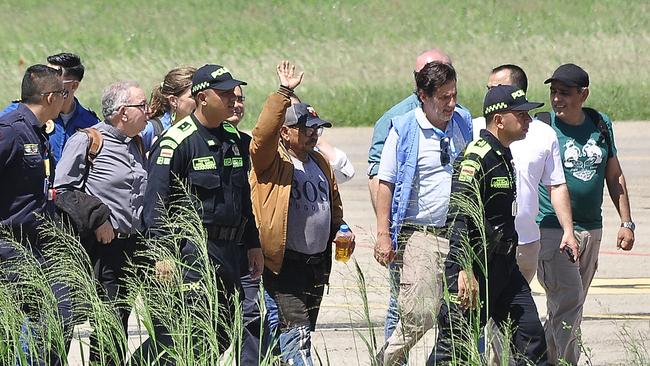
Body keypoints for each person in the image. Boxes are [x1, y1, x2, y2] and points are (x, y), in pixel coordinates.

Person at [133, 63, 263, 364]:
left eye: (235, 93)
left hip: (230, 250)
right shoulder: (177, 140)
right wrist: (163, 253)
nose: (233, 99)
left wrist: (253, 242)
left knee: (226, 327)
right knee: (192, 332)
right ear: (203, 97)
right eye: (225, 93)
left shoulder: (233, 138)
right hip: (192, 252)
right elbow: (157, 204)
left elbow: (242, 196)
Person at [428, 85, 547, 365]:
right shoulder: (476, 157)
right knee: (453, 349)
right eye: (522, 114)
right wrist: (464, 268)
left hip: (505, 268)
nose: (529, 120)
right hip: (474, 269)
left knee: (532, 339)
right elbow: (459, 215)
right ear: (499, 119)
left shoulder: (503, 154)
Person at [249, 61, 354, 366]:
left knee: (294, 339)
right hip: (285, 267)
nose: (313, 134)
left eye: (317, 129)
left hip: (316, 267)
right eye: (306, 128)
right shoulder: (271, 162)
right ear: (285, 132)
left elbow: (332, 205)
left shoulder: (320, 162)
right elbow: (262, 137)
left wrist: (341, 228)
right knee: (297, 339)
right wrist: (284, 92)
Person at [373, 61, 472, 365]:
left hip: (458, 234)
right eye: (444, 98)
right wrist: (383, 234)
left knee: (462, 312)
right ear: (423, 96)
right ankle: (387, 360)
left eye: (454, 95)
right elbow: (386, 183)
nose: (451, 104)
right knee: (420, 312)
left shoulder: (463, 123)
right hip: (421, 235)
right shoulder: (404, 129)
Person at [537, 63, 635, 365]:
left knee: (567, 305)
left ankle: (535, 357)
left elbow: (614, 175)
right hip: (553, 230)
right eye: (553, 92)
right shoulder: (543, 126)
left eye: (564, 93)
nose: (556, 99)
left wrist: (626, 222)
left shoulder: (600, 123)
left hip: (592, 229)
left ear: (584, 94)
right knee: (569, 302)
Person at [54, 80, 149, 365]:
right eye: (141, 106)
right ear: (123, 112)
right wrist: (99, 218)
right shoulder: (88, 141)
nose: (148, 111)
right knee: (105, 321)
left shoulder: (138, 143)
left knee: (123, 320)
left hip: (135, 246)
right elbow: (63, 191)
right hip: (103, 247)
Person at [473, 64, 578, 283]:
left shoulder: (542, 134)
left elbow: (556, 185)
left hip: (526, 241)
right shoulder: (473, 129)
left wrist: (568, 230)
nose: (490, 95)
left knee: (517, 310)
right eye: (488, 89)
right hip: (484, 243)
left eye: (497, 88)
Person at [0, 64, 68, 365]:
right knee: (29, 330)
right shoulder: (12, 131)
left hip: (36, 247)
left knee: (53, 322)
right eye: (64, 93)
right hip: (10, 249)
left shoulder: (37, 133)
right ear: (52, 97)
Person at [223, 84, 268, 365]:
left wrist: (254, 244)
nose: (238, 105)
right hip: (208, 248)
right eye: (232, 99)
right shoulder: (190, 140)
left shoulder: (242, 142)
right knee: (216, 324)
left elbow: (244, 200)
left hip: (241, 246)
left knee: (251, 314)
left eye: (241, 99)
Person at [0, 52, 100, 166]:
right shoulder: (15, 117)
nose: (46, 79)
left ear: (74, 86)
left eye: (54, 76)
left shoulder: (91, 124)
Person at [141, 66, 197, 150]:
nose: (200, 101)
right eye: (193, 97)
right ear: (173, 101)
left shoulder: (205, 127)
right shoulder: (150, 130)